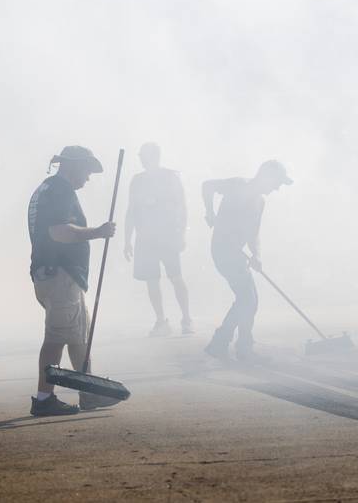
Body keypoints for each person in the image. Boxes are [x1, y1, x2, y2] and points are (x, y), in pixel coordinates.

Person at [27, 145, 117, 416]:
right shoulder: (59, 191)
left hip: (58, 274)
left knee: (79, 336)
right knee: (57, 338)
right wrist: (98, 232)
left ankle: (88, 393)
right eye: (86, 170)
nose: (88, 177)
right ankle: (44, 399)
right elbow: (59, 232)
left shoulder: (49, 189)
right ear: (72, 165)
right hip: (60, 275)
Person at [202, 160, 292, 362]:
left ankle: (224, 344)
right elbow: (207, 186)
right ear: (266, 176)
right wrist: (210, 211)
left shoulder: (260, 202)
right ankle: (239, 347)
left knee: (248, 300)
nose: (277, 188)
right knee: (248, 300)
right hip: (224, 250)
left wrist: (256, 255)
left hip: (236, 253)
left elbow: (253, 234)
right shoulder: (238, 185)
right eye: (277, 182)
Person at [124, 142, 194, 336]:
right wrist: (127, 240)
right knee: (152, 280)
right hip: (145, 239)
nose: (140, 159)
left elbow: (182, 206)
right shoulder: (137, 180)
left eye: (143, 155)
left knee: (176, 277)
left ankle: (187, 319)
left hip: (167, 236)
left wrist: (181, 233)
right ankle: (161, 321)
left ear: (153, 156)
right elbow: (131, 210)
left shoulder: (170, 177)